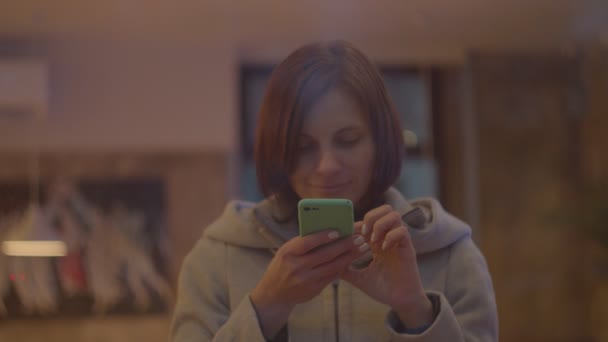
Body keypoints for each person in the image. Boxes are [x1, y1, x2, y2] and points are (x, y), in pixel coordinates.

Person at [170, 40, 498, 342]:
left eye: (348, 140)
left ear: (380, 141)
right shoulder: (217, 258)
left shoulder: (453, 255)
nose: (327, 165)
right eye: (302, 146)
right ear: (278, 151)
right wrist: (267, 306)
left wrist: (417, 311)